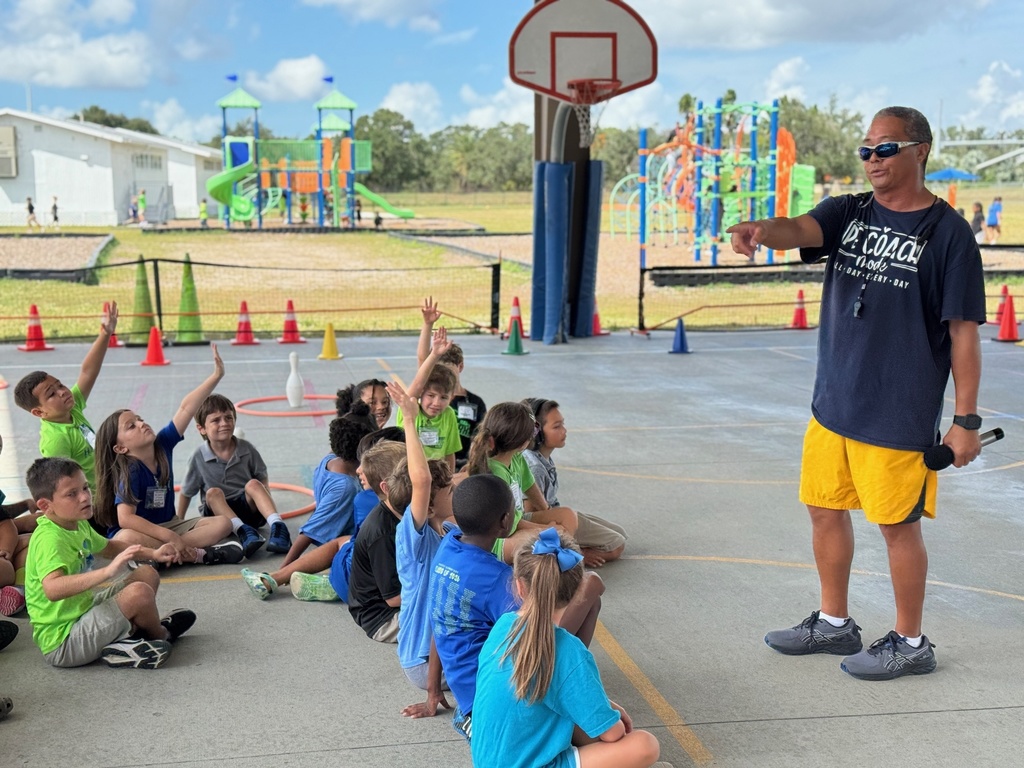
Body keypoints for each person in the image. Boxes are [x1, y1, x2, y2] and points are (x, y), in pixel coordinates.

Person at [727, 106, 986, 681]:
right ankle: (834, 621)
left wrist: (965, 419)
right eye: (865, 150)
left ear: (920, 151)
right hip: (834, 402)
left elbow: (964, 335)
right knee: (824, 510)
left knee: (897, 526)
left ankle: (911, 641)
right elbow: (799, 228)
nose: (873, 160)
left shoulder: (949, 235)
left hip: (898, 409)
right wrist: (762, 231)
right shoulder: (850, 212)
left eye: (886, 149)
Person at [425, 475, 603, 741]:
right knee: (591, 588)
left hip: (469, 700)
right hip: (497, 704)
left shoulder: (447, 549)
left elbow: (439, 623)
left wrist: (432, 688)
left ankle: (559, 686)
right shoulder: (495, 580)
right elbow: (537, 633)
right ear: (505, 520)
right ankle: (562, 686)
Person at [472, 529, 662, 768]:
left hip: (488, 761)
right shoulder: (569, 651)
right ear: (575, 594)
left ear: (519, 587)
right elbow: (613, 734)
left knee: (576, 716)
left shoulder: (503, 626)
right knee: (645, 745)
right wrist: (612, 716)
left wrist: (607, 705)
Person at [23, 457, 196, 669]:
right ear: (45, 505)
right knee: (139, 593)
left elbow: (110, 547)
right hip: (64, 643)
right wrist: (107, 572)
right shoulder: (50, 539)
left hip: (83, 614)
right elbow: (52, 588)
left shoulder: (76, 523)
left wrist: (155, 553)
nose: (85, 497)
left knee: (146, 573)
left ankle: (128, 642)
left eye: (85, 487)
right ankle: (160, 635)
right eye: (72, 494)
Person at [92, 345, 244, 566]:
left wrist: (216, 376)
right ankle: (198, 555)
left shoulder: (162, 445)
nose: (142, 424)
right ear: (120, 448)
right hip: (142, 532)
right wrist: (169, 537)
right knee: (124, 538)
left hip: (169, 526)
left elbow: (186, 409)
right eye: (131, 426)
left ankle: (161, 557)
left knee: (223, 523)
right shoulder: (130, 469)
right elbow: (125, 519)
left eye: (140, 418)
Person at [239, 438, 406, 601]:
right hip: (383, 580)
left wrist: (285, 568)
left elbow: (314, 531)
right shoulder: (415, 504)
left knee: (341, 543)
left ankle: (287, 578)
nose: (358, 469)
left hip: (362, 587)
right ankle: (331, 585)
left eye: (366, 466)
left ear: (383, 481)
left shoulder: (362, 499)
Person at [389, 380, 454, 712]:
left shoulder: (445, 531)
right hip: (422, 662)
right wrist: (410, 420)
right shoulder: (413, 539)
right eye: (450, 493)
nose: (453, 496)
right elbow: (423, 480)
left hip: (437, 656)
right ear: (427, 504)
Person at [15, 302, 120, 500]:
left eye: (60, 385)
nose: (63, 392)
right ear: (39, 412)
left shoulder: (72, 409)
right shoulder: (56, 440)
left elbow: (88, 371)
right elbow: (64, 488)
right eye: (51, 394)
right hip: (97, 506)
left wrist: (105, 334)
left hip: (112, 492)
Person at [177, 394, 292, 559]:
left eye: (228, 418)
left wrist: (266, 506)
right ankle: (243, 531)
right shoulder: (198, 456)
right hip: (219, 516)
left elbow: (262, 478)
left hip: (247, 509)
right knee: (213, 493)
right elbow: (186, 492)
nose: (224, 423)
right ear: (201, 428)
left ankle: (278, 526)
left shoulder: (246, 449)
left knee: (254, 484)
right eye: (216, 420)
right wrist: (180, 522)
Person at [465, 401, 577, 564]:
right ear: (521, 440)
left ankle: (560, 559)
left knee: (567, 515)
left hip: (516, 520)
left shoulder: (516, 457)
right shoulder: (496, 473)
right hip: (500, 538)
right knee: (539, 540)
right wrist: (544, 529)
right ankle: (552, 569)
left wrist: (547, 512)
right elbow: (508, 526)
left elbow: (530, 486)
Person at [523, 398, 627, 567]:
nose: (564, 431)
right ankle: (574, 554)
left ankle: (576, 544)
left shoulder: (543, 458)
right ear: (537, 432)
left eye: (562, 424)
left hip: (555, 512)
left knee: (619, 533)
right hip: (551, 520)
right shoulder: (534, 467)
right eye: (556, 427)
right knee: (616, 546)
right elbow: (528, 514)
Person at [280, 404, 374, 564]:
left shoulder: (330, 459)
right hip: (343, 544)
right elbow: (311, 529)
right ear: (362, 447)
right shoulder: (346, 487)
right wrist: (284, 569)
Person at [417, 298, 487, 469]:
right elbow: (422, 359)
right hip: (428, 464)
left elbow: (481, 440)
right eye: (437, 370)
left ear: (460, 366)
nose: (444, 376)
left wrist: (472, 465)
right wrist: (427, 325)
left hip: (462, 464)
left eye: (449, 370)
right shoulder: (425, 404)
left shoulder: (475, 403)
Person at [397, 326, 461, 470]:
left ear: (452, 397)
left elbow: (450, 453)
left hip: (438, 474)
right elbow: (418, 382)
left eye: (444, 397)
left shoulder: (449, 414)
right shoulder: (410, 409)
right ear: (421, 393)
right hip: (408, 472)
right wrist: (434, 355)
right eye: (431, 396)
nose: (436, 403)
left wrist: (449, 480)